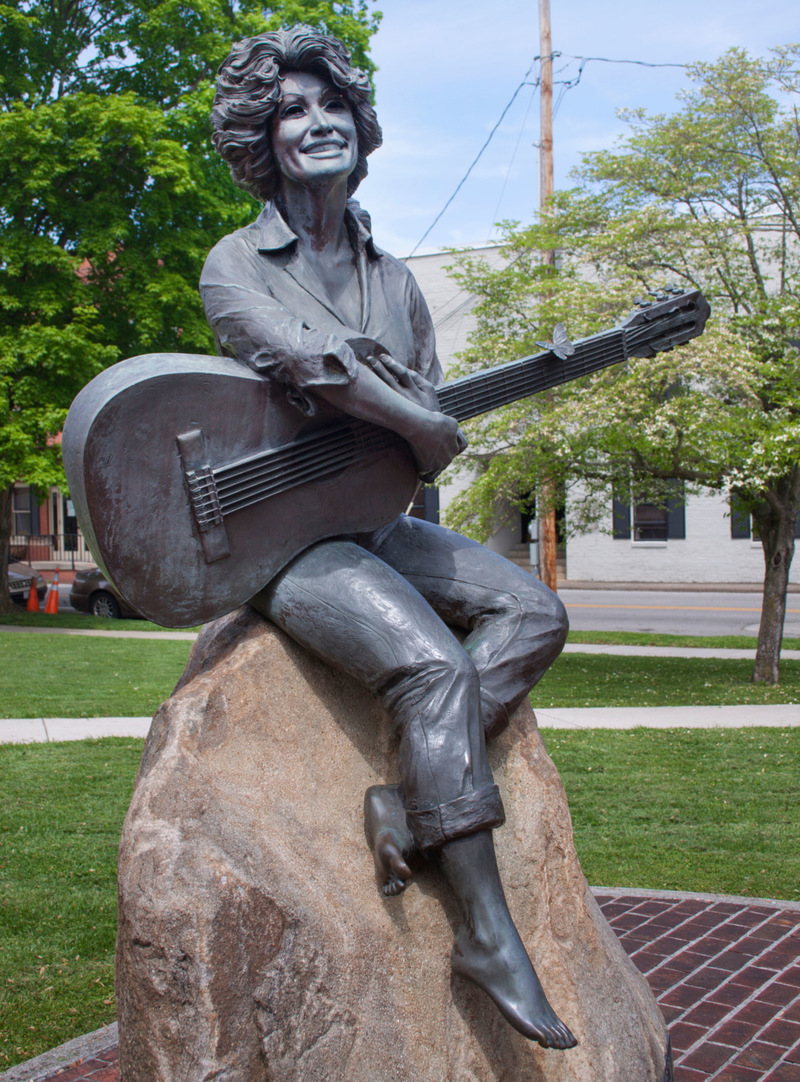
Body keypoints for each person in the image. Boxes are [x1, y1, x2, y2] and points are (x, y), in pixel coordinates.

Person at [200, 25, 576, 1051]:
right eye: (289, 110)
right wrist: (412, 418)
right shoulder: (237, 263)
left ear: (358, 129)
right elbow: (310, 366)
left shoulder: (397, 281)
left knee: (533, 611)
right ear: (259, 139)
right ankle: (487, 934)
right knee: (431, 670)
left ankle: (410, 806)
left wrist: (421, 432)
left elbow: (419, 445)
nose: (314, 124)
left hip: (370, 517)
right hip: (280, 540)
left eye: (330, 106)